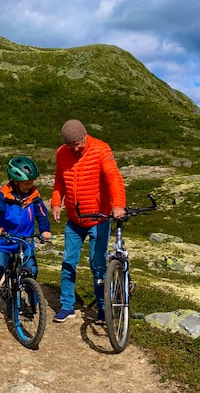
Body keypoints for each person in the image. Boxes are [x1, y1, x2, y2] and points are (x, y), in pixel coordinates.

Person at [50, 119, 126, 324]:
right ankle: (67, 305)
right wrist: (56, 202)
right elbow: (59, 180)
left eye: (78, 143)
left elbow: (113, 177)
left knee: (98, 264)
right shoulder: (62, 153)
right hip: (75, 220)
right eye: (71, 145)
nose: (75, 148)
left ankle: (102, 308)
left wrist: (118, 204)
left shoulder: (101, 149)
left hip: (98, 219)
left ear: (85, 136)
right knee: (68, 262)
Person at [0, 156, 52, 326]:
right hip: (6, 241)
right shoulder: (3, 195)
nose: (30, 185)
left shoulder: (34, 196)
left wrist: (45, 230)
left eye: (32, 182)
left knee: (32, 270)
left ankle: (32, 293)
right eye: (26, 183)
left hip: (25, 241)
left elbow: (41, 214)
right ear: (15, 181)